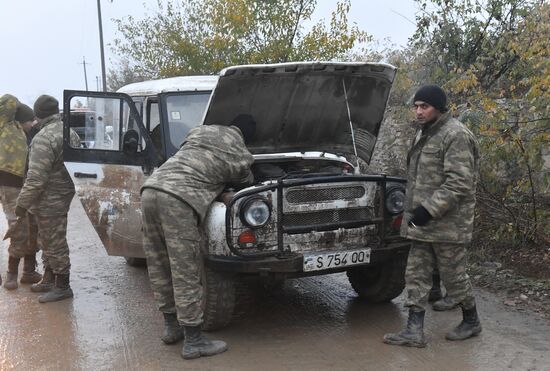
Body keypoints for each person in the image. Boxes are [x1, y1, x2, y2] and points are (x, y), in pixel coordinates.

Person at [140, 114, 256, 360]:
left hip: (151, 189)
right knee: (185, 269)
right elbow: (247, 181)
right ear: (245, 135)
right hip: (179, 199)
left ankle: (172, 327)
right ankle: (194, 340)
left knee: (159, 263)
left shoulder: (200, 131)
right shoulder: (238, 148)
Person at [383, 85, 481, 347]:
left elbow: (460, 183)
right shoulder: (424, 133)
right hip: (423, 223)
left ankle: (472, 321)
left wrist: (428, 210)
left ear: (439, 107)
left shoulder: (455, 135)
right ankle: (414, 331)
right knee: (415, 274)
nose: (418, 111)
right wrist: (416, 214)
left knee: (454, 278)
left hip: (449, 225)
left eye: (424, 106)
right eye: (416, 106)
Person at [16, 95, 80, 303]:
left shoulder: (44, 138)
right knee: (49, 237)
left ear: (38, 114)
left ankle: (62, 286)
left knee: (53, 240)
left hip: (49, 197)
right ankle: (50, 278)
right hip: (63, 193)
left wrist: (22, 203)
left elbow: (36, 179)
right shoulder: (69, 132)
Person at [1, 100, 42, 290]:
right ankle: (12, 274)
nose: (32, 124)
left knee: (31, 225)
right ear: (21, 120)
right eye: (30, 120)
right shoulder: (10, 131)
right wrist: (16, 103)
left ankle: (28, 271)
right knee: (20, 227)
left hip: (21, 187)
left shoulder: (21, 133)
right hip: (12, 187)